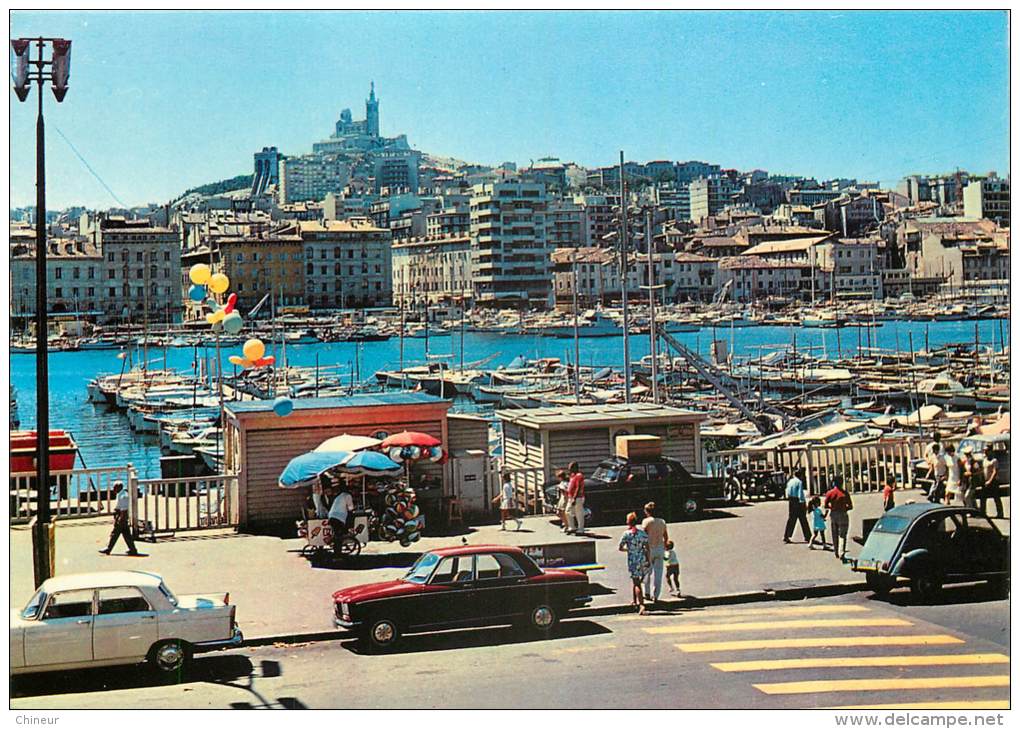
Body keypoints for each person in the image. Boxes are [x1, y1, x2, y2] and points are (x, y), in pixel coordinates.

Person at [618, 512, 650, 614]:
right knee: (637, 581)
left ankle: (642, 605)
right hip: (642, 559)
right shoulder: (642, 533)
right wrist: (648, 559)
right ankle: (635, 601)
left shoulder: (626, 534)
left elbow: (620, 547)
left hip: (633, 561)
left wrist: (629, 550)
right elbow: (647, 548)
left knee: (636, 583)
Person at [99, 480, 139, 556]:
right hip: (120, 515)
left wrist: (120, 519)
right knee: (126, 534)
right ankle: (133, 549)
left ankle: (108, 548)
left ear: (119, 487)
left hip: (122, 517)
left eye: (114, 487)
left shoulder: (123, 496)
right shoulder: (119, 494)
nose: (113, 489)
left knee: (115, 533)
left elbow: (124, 510)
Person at [641, 502, 669, 603]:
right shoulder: (662, 522)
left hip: (649, 549)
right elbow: (665, 537)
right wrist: (665, 547)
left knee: (647, 571)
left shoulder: (646, 522)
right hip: (659, 548)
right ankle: (656, 595)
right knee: (659, 573)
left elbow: (643, 536)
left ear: (647, 511)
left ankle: (647, 592)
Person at [823, 477, 853, 561]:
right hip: (843, 514)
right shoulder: (845, 493)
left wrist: (832, 507)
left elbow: (825, 505)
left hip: (833, 514)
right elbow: (850, 506)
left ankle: (836, 551)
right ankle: (841, 552)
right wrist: (844, 508)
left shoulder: (830, 493)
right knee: (842, 534)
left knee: (834, 533)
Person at [783, 468, 811, 544]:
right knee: (803, 519)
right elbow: (800, 494)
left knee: (791, 519)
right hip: (798, 502)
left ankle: (786, 535)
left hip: (791, 501)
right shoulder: (799, 482)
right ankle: (808, 536)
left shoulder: (790, 481)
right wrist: (803, 504)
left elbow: (787, 492)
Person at [328, 487, 355, 555]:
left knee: (337, 534)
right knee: (339, 536)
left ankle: (336, 549)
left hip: (332, 516)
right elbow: (351, 507)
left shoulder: (339, 496)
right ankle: (337, 553)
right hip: (339, 518)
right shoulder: (347, 496)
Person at [981, 445, 1003, 518]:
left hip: (993, 482)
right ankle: (982, 512)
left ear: (990, 451)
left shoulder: (994, 460)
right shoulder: (984, 460)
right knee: (983, 498)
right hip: (985, 481)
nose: (985, 452)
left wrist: (990, 481)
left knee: (996, 497)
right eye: (984, 451)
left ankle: (1000, 513)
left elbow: (995, 471)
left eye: (987, 451)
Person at [565, 461, 585, 534]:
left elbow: (578, 487)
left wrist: (574, 498)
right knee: (568, 511)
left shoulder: (579, 476)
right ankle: (572, 527)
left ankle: (581, 529)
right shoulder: (573, 476)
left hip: (578, 497)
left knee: (579, 513)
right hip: (571, 497)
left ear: (575, 468)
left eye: (570, 468)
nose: (569, 469)